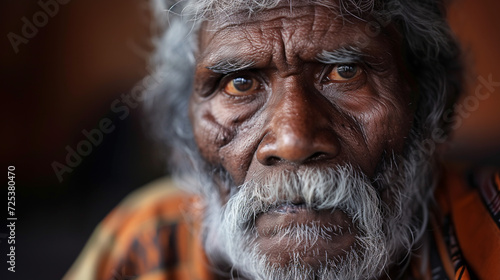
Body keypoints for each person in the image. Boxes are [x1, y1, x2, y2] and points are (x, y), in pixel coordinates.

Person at [65, 0, 500, 279]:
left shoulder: (490, 235)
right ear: (187, 121)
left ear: (426, 101)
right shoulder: (145, 245)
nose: (293, 141)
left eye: (345, 72)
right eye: (239, 83)